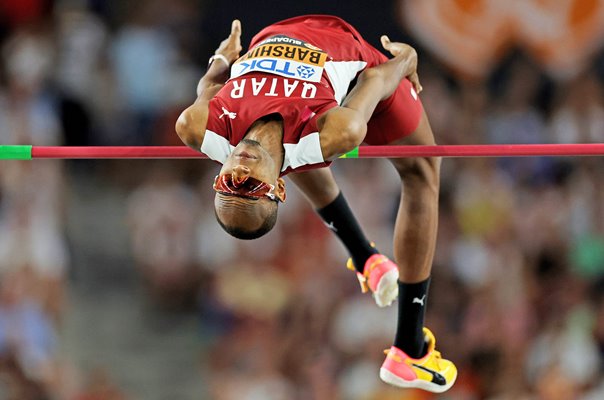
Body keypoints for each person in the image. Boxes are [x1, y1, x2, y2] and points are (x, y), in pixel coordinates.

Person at [176, 15, 456, 393]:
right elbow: (375, 81)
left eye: (229, 183)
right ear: (277, 186)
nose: (239, 168)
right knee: (423, 171)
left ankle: (367, 259)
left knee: (285, 147)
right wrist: (406, 61)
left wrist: (222, 59)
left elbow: (210, 84)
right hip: (361, 77)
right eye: (249, 185)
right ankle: (409, 349)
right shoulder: (339, 130)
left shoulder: (197, 126)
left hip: (276, 35)